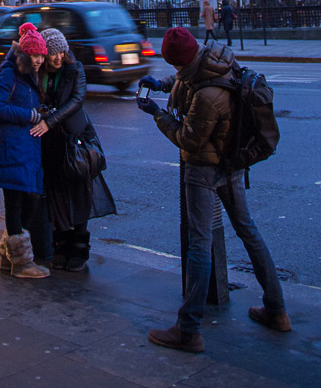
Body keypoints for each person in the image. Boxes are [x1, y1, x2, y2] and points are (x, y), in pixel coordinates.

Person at [137, 26, 290, 354]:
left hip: (204, 169)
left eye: (174, 65)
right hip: (232, 163)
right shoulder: (215, 59)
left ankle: (189, 329)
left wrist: (158, 114)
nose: (175, 70)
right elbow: (187, 77)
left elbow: (188, 139)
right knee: (248, 231)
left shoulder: (207, 97)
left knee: (199, 244)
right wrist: (161, 84)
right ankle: (277, 309)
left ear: (181, 60)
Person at [32, 28, 115, 272]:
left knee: (79, 193)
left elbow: (77, 100)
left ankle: (79, 249)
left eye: (61, 52)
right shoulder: (40, 72)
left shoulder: (74, 68)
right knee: (56, 194)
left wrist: (49, 121)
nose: (58, 57)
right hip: (52, 143)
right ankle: (61, 246)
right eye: (53, 53)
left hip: (75, 139)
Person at [0, 22, 50, 279]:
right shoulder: (10, 72)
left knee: (30, 199)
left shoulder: (28, 73)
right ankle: (21, 264)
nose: (39, 60)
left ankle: (8, 256)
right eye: (35, 55)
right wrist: (30, 116)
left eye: (42, 55)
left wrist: (39, 113)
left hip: (24, 148)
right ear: (24, 54)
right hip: (10, 148)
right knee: (16, 203)